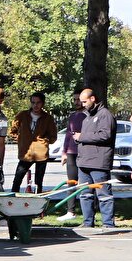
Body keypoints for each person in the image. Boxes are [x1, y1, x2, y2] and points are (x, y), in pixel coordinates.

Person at [75, 88, 116, 229]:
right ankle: (88, 222)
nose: (82, 104)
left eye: (84, 101)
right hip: (84, 162)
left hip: (99, 162)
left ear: (93, 99)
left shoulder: (105, 115)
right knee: (85, 194)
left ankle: (108, 224)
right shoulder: (87, 117)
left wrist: (82, 137)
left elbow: (105, 135)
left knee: (104, 194)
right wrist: (78, 138)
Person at [9, 92, 57, 193]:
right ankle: (13, 197)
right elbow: (12, 130)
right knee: (18, 178)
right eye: (33, 102)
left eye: (38, 103)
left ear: (43, 103)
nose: (35, 105)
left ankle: (37, 199)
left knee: (38, 181)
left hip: (41, 153)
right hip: (25, 153)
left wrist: (44, 141)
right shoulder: (22, 115)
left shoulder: (48, 118)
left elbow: (53, 136)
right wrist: (21, 139)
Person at [56, 91, 87, 221]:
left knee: (86, 183)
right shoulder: (73, 116)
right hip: (71, 153)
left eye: (78, 99)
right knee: (71, 182)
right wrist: (64, 152)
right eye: (74, 100)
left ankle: (89, 211)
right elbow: (68, 134)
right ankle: (71, 211)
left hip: (84, 153)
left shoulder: (88, 116)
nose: (76, 102)